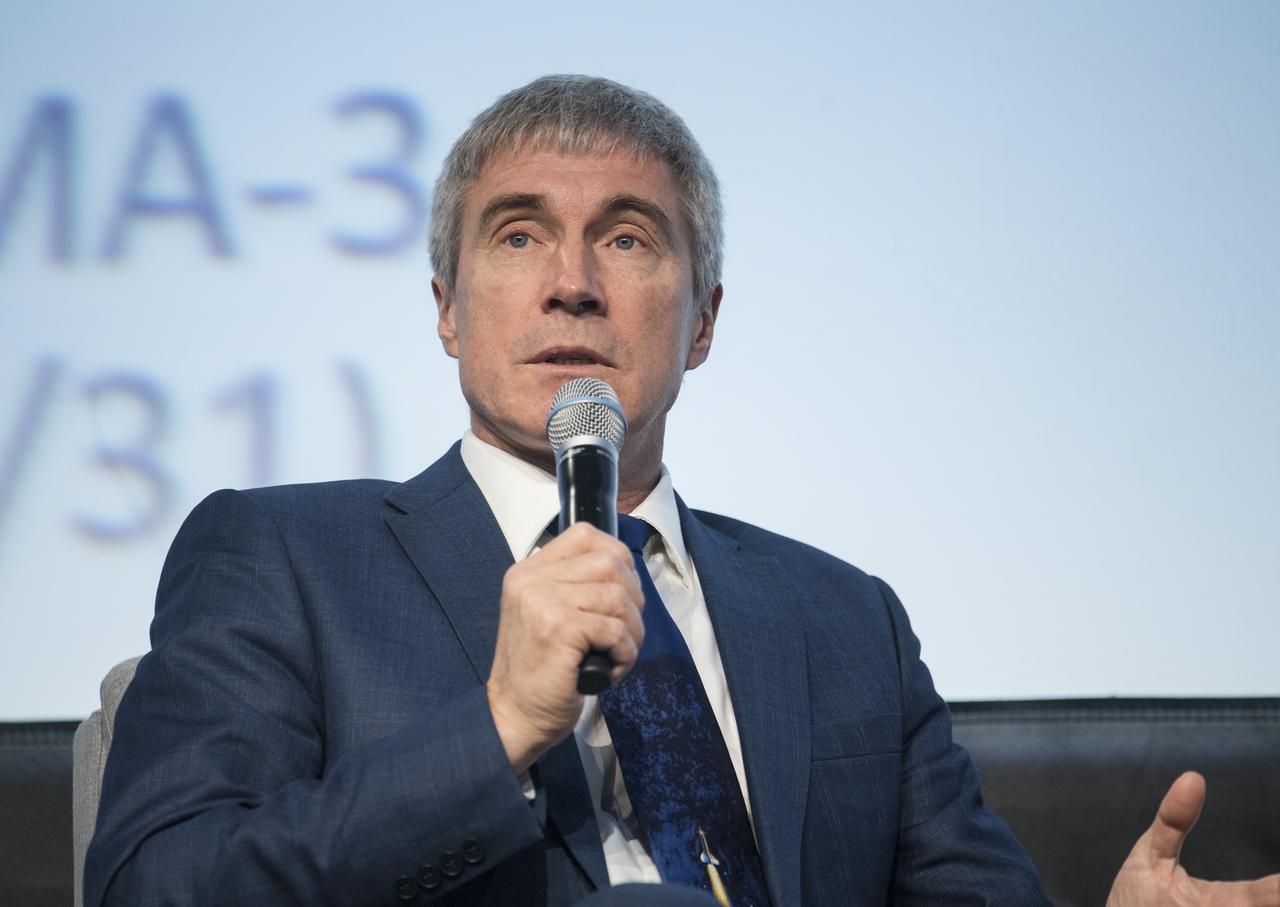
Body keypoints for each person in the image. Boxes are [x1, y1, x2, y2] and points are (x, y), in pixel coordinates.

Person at [85, 75, 1280, 907]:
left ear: (700, 321)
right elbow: (158, 887)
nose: (569, 284)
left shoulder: (843, 620)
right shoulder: (286, 556)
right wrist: (497, 729)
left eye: (626, 239)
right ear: (446, 311)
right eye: (514, 236)